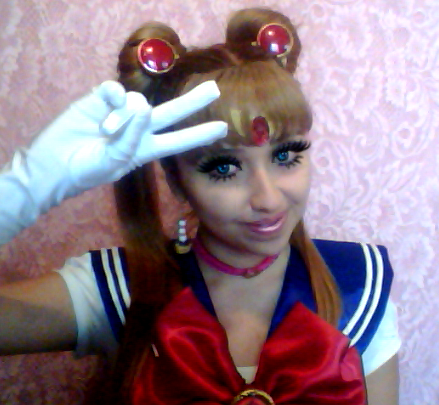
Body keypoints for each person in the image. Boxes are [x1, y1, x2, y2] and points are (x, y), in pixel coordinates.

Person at [0, 7, 400, 405]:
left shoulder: (359, 288)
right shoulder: (121, 288)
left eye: (285, 155)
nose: (268, 198)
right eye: (224, 167)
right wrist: (24, 189)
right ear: (177, 180)